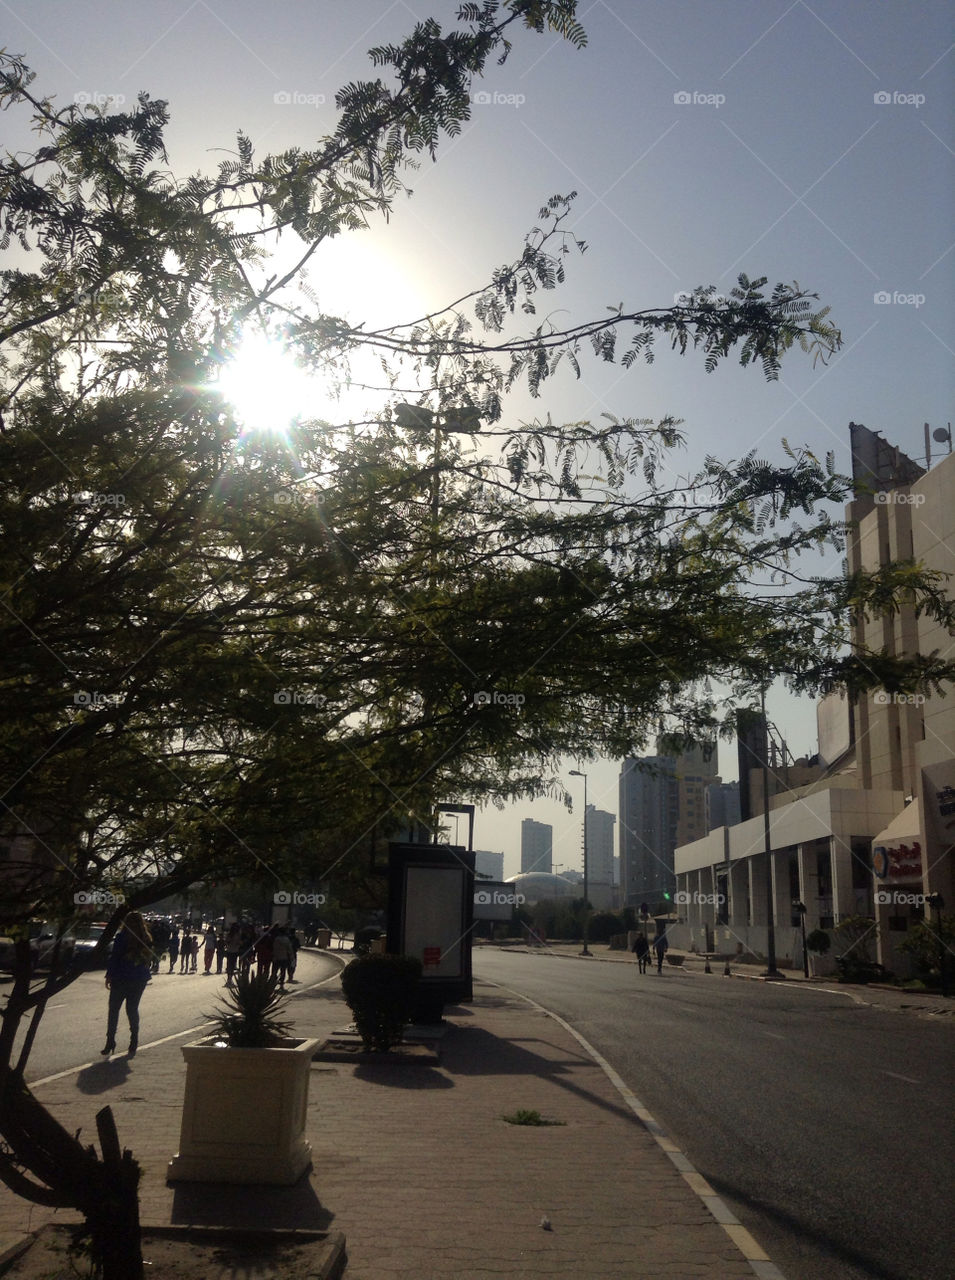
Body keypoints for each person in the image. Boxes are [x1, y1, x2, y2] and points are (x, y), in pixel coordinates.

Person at [102, 912, 153, 1057]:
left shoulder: (122, 937)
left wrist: (109, 975)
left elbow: (115, 957)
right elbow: (148, 959)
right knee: (132, 1009)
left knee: (113, 1010)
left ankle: (110, 1041)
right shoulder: (146, 938)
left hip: (121, 977)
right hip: (139, 978)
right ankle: (134, 1040)